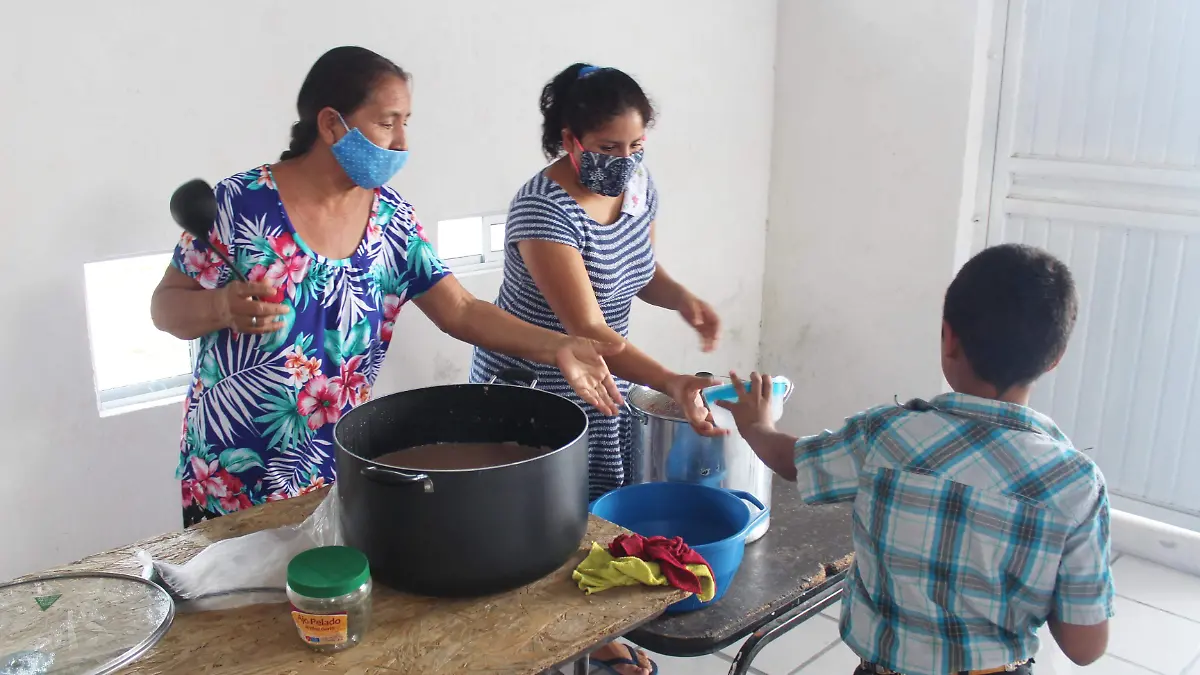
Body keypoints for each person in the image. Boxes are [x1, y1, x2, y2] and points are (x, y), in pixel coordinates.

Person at [151, 47, 625, 527]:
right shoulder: (240, 204)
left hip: (335, 469)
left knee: (325, 602)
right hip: (228, 473)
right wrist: (220, 308)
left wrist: (558, 346)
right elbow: (164, 308)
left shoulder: (390, 219)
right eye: (387, 122)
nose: (401, 141)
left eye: (406, 122)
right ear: (332, 125)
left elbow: (460, 309)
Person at [717, 244, 1114, 674]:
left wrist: (758, 426)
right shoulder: (1074, 483)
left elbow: (795, 462)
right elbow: (1084, 646)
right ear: (1054, 359)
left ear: (948, 339)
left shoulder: (886, 436)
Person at [469, 62, 723, 501]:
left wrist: (681, 298)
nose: (626, 161)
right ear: (571, 140)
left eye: (636, 145)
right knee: (539, 513)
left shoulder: (638, 184)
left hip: (606, 375)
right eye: (609, 147)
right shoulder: (544, 210)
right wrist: (671, 381)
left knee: (599, 511)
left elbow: (639, 269)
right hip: (537, 390)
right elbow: (587, 331)